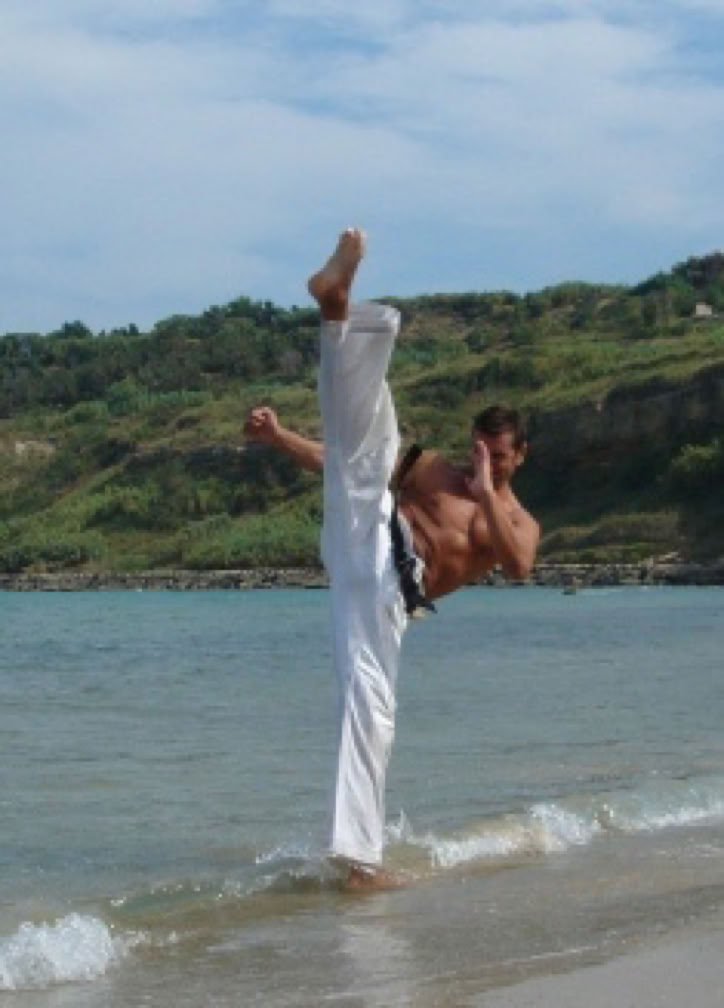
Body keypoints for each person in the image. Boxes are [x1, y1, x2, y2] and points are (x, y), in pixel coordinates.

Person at [244, 228, 540, 889]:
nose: (477, 462)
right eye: (475, 450)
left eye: (494, 453)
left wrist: (488, 490)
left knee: (371, 706)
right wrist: (278, 437)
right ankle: (336, 304)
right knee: (375, 439)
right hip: (365, 536)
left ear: (518, 455)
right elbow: (342, 462)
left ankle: (355, 857)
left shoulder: (513, 518)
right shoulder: (435, 471)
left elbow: (518, 565)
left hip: (388, 591)